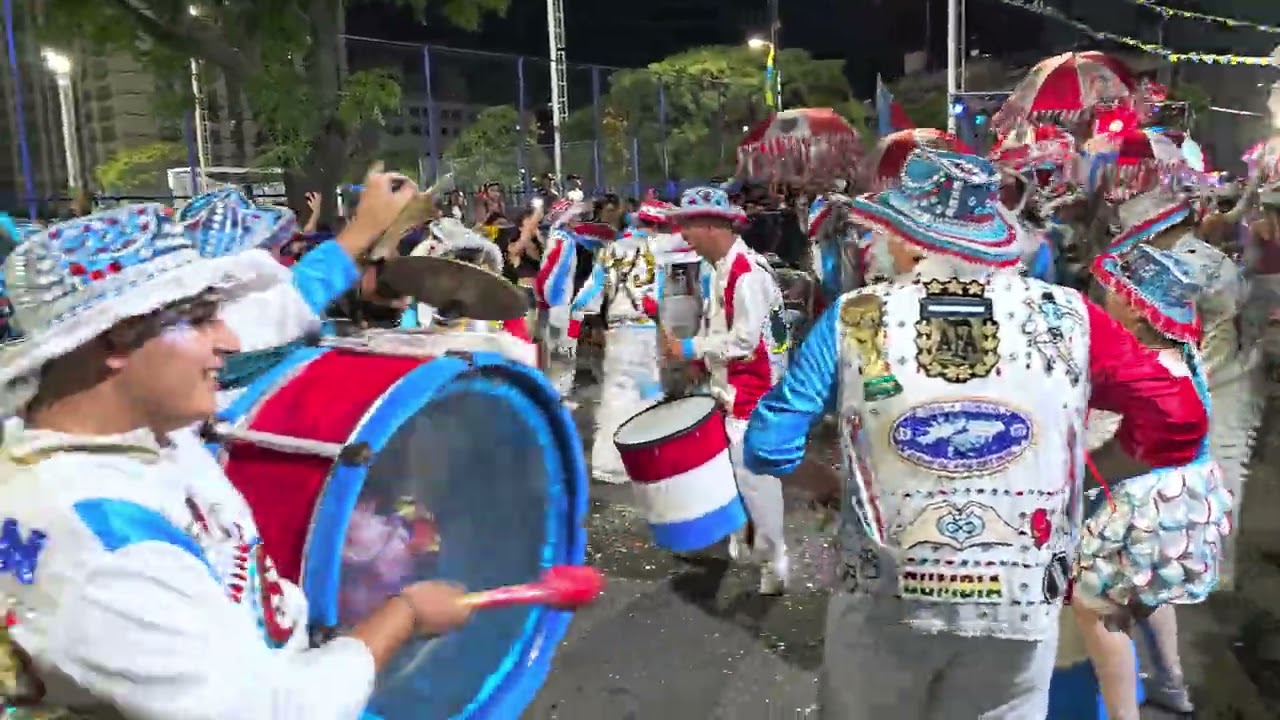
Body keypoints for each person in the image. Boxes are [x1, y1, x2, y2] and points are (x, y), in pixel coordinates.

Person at [741, 150, 1208, 719]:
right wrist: (1093, 473)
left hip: (887, 598)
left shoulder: (856, 317)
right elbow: (1179, 415)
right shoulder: (1071, 317)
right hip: (1019, 600)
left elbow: (768, 443)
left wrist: (830, 486)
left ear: (906, 236)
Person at [0, 171, 477, 718]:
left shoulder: (117, 421)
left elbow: (273, 311)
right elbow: (275, 711)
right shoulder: (104, 553)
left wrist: (361, 232)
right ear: (116, 339)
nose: (227, 339)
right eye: (202, 320)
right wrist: (405, 614)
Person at [1075, 242, 1235, 720]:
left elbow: (1106, 448)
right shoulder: (1183, 355)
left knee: (1098, 608)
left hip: (1143, 504)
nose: (1107, 298)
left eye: (1116, 293)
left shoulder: (1138, 372)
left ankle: (1125, 714)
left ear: (1136, 311)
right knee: (1150, 592)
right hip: (1187, 495)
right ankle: (1172, 684)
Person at [659, 186, 790, 595]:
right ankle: (752, 543)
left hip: (754, 398)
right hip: (735, 393)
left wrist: (688, 348)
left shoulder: (745, 274)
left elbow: (746, 343)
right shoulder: (721, 269)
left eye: (689, 227)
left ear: (713, 226)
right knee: (736, 478)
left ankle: (774, 559)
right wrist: (697, 363)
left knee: (755, 482)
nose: (685, 237)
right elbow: (722, 332)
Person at [570, 200, 670, 483]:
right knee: (648, 392)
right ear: (656, 225)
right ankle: (648, 459)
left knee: (615, 394)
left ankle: (608, 465)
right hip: (645, 330)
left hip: (618, 331)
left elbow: (587, 296)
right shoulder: (659, 248)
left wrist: (578, 317)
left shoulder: (610, 251)